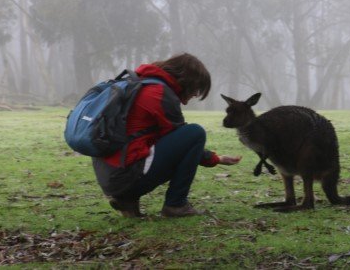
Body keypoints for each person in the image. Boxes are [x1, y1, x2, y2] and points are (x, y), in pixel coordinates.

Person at [92, 53, 241, 218]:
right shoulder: (160, 93)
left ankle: (127, 199)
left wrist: (216, 159)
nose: (195, 95)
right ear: (187, 81)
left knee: (172, 140)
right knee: (195, 133)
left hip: (109, 176)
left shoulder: (138, 83)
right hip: (126, 176)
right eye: (196, 89)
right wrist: (215, 159)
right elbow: (185, 143)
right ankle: (176, 204)